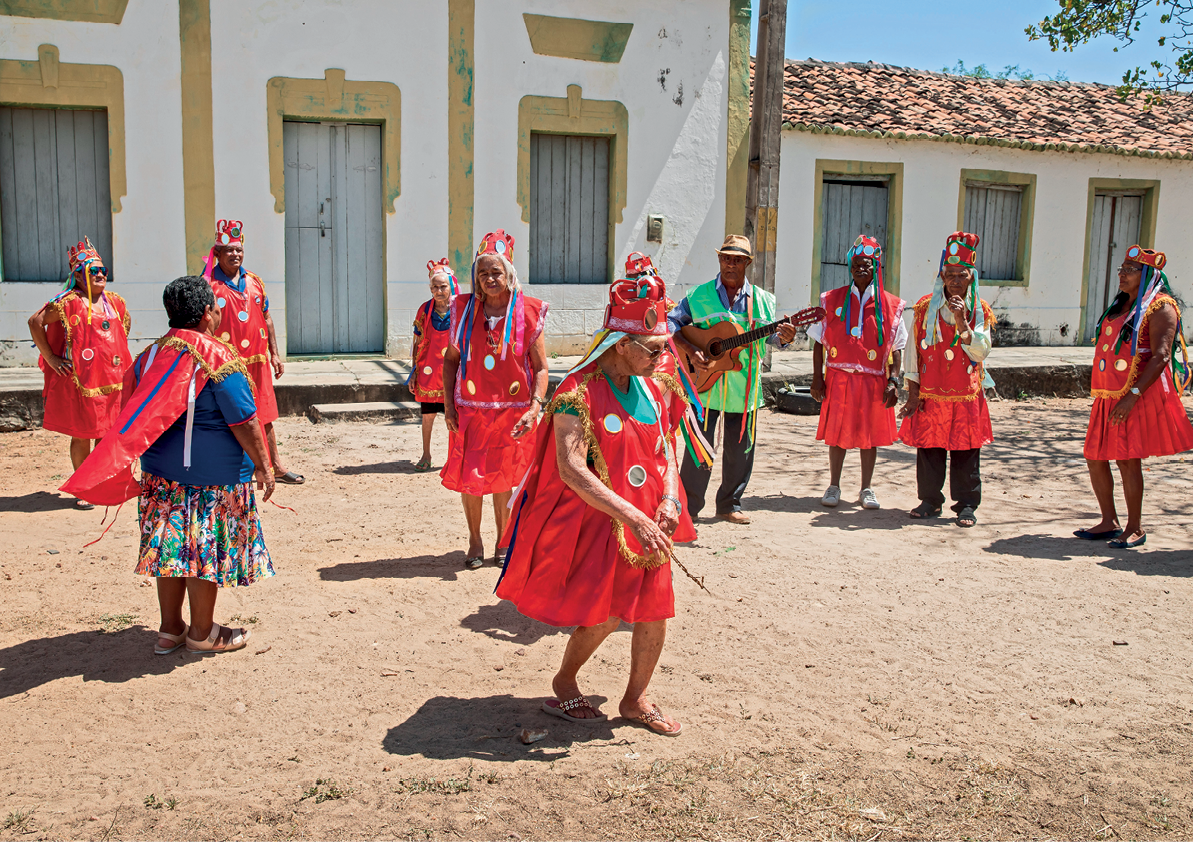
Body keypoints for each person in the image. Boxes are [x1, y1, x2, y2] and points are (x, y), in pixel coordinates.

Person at [496, 273, 695, 736]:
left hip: (651, 521)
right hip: (605, 522)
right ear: (621, 344)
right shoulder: (576, 393)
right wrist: (632, 515)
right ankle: (564, 682)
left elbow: (666, 446)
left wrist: (667, 497)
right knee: (604, 614)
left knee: (655, 610)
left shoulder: (651, 386)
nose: (663, 357)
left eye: (664, 346)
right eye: (653, 348)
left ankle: (635, 699)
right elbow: (571, 470)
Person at [62, 276, 276, 654]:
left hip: (161, 477)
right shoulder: (217, 357)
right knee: (203, 551)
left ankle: (170, 629)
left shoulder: (148, 358)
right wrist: (265, 464)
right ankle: (203, 633)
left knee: (170, 548)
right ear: (208, 313)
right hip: (214, 479)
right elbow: (244, 420)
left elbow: (131, 413)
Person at [668, 234, 796, 524]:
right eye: (726, 258)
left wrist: (785, 338)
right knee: (699, 449)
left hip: (745, 387)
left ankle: (729, 504)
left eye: (737, 260)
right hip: (704, 385)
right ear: (719, 260)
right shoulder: (698, 295)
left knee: (740, 450)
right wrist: (691, 349)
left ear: (747, 263)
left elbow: (773, 337)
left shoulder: (763, 301)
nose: (730, 264)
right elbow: (671, 323)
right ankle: (688, 510)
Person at [441, 230, 549, 571]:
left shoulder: (529, 313)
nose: (489, 279)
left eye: (495, 272)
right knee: (472, 478)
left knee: (505, 479)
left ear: (510, 274)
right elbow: (450, 360)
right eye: (482, 273)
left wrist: (536, 406)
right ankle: (475, 539)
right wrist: (447, 407)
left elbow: (542, 368)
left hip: (513, 413)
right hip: (471, 411)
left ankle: (504, 540)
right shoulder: (463, 310)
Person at [1077, 245, 1193, 549]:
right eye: (1122, 268)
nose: (1122, 273)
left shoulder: (1160, 306)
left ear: (1147, 274)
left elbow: (1161, 356)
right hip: (1107, 393)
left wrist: (1133, 396)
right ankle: (1108, 521)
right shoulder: (1122, 305)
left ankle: (1135, 527)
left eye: (1130, 269)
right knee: (1094, 455)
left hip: (1134, 394)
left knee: (1127, 459)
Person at [898, 232, 994, 527]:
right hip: (932, 393)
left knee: (966, 451)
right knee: (929, 450)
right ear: (942, 276)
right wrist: (913, 394)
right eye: (949, 275)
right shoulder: (926, 308)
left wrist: (963, 320)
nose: (954, 281)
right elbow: (914, 355)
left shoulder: (979, 309)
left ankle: (966, 505)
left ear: (971, 277)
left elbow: (980, 352)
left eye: (960, 275)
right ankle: (930, 501)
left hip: (965, 395)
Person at [27, 238, 132, 509]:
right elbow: (35, 321)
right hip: (83, 383)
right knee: (83, 434)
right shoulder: (67, 303)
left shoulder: (116, 303)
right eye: (92, 270)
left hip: (113, 382)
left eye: (102, 270)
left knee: (108, 434)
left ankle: (103, 481)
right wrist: (50, 357)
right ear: (77, 275)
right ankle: (83, 488)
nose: (99, 275)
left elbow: (122, 330)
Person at [808, 235, 907, 510]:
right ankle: (833, 485)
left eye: (867, 265)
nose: (861, 269)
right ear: (850, 267)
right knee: (838, 434)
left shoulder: (891, 305)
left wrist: (894, 380)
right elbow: (818, 340)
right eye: (857, 264)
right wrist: (817, 378)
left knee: (868, 436)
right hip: (838, 378)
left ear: (876, 268)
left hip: (873, 381)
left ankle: (866, 488)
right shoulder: (832, 299)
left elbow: (897, 347)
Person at [202, 219, 302, 484]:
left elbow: (267, 319)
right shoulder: (208, 284)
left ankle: (275, 466)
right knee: (230, 416)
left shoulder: (255, 282)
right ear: (218, 253)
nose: (235, 254)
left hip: (257, 362)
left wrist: (275, 353)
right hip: (226, 365)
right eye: (229, 250)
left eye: (239, 249)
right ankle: (237, 470)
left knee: (265, 414)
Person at [409, 259, 457, 471]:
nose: (439, 290)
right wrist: (413, 372)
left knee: (453, 416)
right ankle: (426, 453)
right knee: (427, 415)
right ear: (430, 289)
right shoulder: (424, 310)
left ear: (451, 286)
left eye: (443, 286)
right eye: (435, 287)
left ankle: (453, 458)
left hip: (453, 372)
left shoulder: (459, 309)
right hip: (428, 371)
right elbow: (417, 342)